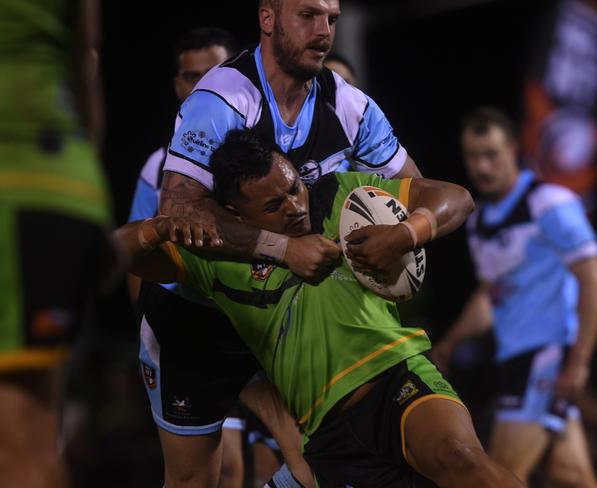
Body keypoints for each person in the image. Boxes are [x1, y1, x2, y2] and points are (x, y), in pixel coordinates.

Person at [115, 128, 524, 488]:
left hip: (397, 378)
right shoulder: (215, 256)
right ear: (237, 215)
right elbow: (116, 254)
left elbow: (456, 198)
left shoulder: (341, 194)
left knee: (462, 460)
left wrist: (404, 233)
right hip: (327, 434)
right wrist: (163, 224)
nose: (294, 207)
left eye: (293, 188)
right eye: (274, 206)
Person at [151, 0, 425, 485]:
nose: (324, 30)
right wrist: (284, 249)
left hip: (278, 314)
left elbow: (416, 188)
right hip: (199, 316)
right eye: (308, 15)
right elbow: (176, 210)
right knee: (201, 478)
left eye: (332, 18)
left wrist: (403, 233)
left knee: (318, 464)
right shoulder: (224, 98)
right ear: (268, 17)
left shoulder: (349, 106)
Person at [430, 107, 597, 486]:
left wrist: (579, 361)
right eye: (473, 156)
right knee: (571, 475)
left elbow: (595, 282)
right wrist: (449, 342)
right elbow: (489, 298)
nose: (481, 166)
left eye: (491, 154)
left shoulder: (550, 203)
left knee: (501, 475)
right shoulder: (479, 222)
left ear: (513, 149)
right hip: (515, 361)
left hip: (545, 360)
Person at [127, 26, 259, 488]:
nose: (203, 85)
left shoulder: (262, 163)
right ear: (177, 85)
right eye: (191, 76)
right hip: (186, 330)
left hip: (253, 325)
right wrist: (150, 338)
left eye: (213, 73)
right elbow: (138, 255)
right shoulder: (158, 167)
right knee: (214, 472)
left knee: (295, 453)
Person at [0, 0, 113, 486]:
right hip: (61, 184)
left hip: (14, 185)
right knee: (32, 427)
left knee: (17, 436)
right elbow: (85, 54)